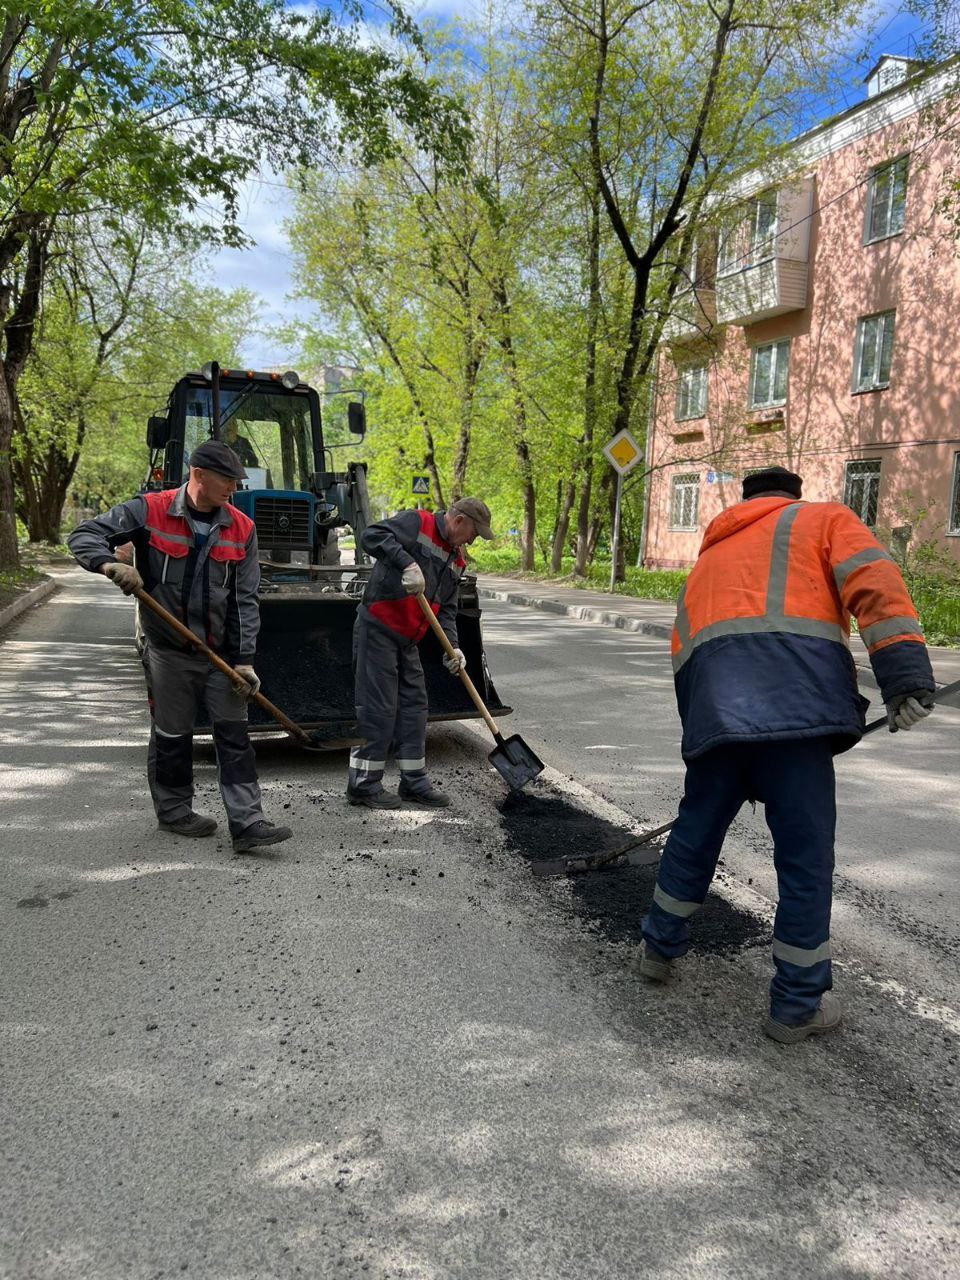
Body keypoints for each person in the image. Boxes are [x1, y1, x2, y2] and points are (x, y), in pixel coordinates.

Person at [639, 466, 936, 1043]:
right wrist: (904, 680)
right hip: (796, 724)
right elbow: (875, 584)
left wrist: (703, 739)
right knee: (803, 859)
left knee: (695, 833)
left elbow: (683, 659)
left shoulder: (706, 562)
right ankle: (796, 1006)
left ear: (743, 503)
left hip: (717, 720)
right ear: (790, 497)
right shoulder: (824, 519)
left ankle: (656, 949)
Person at [67, 441, 293, 854]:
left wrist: (243, 661)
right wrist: (109, 563)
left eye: (237, 480)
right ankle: (174, 812)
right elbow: (84, 534)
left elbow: (245, 600)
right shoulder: (148, 511)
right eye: (227, 479)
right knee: (173, 734)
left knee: (234, 735)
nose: (234, 488)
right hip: (169, 648)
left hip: (219, 654)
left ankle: (248, 822)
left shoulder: (242, 528)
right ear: (198, 474)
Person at [347, 497, 494, 810]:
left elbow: (448, 610)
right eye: (474, 532)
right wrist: (407, 563)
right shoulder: (418, 523)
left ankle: (413, 781)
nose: (473, 539)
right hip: (379, 626)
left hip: (407, 639)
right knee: (379, 707)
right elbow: (371, 536)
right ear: (459, 520)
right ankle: (363, 785)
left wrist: (452, 647)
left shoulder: (457, 559)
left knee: (415, 705)